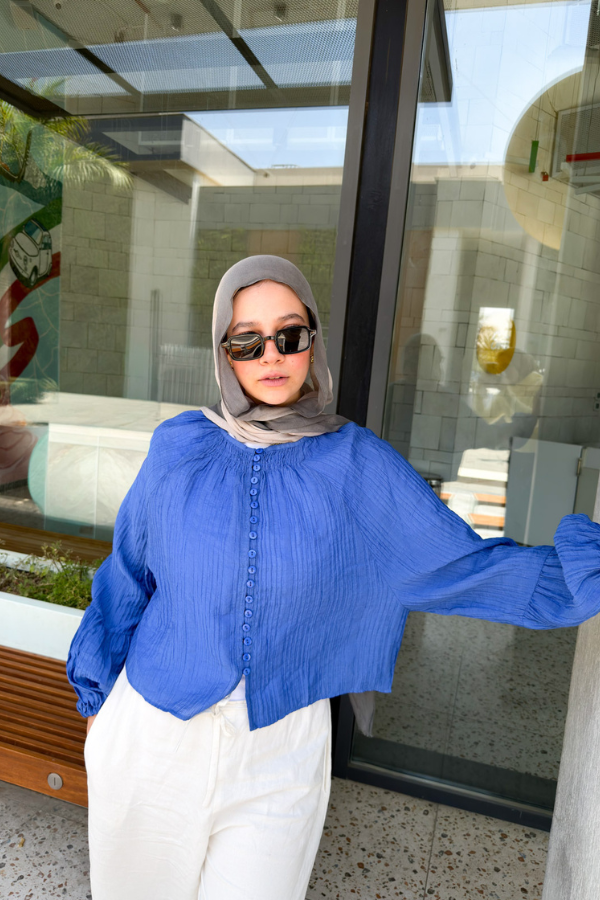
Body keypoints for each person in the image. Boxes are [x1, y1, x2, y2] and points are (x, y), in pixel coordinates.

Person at [66, 255, 600, 900]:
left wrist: (577, 575)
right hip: (152, 729)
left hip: (281, 746)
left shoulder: (358, 464)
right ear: (224, 351)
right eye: (246, 340)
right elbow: (126, 577)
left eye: (289, 335)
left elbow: (460, 567)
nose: (271, 355)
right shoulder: (179, 446)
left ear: (312, 341)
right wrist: (96, 698)